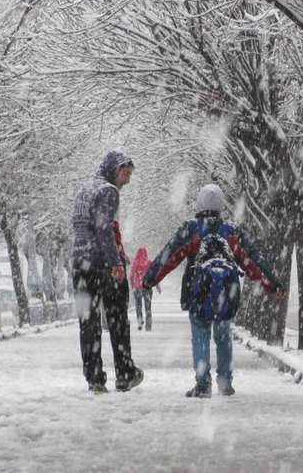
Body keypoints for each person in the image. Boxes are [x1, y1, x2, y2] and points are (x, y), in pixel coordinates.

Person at [142, 183, 285, 398]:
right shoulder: (231, 231)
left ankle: (203, 384)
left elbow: (168, 256)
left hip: (198, 292)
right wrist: (272, 285)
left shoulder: (191, 230)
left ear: (199, 203)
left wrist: (150, 279)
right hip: (225, 295)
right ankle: (225, 382)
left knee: (200, 337)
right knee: (223, 336)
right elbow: (253, 261)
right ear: (221, 205)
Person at [71, 149, 144, 394]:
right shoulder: (108, 191)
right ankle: (125, 373)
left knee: (88, 322)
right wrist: (115, 264)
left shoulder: (84, 189)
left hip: (80, 264)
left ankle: (94, 377)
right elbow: (103, 230)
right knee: (117, 319)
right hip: (102, 264)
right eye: (125, 174)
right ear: (114, 170)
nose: (127, 180)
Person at [129, 246, 158, 331]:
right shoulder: (149, 263)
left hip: (138, 287)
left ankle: (140, 320)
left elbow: (131, 276)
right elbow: (154, 275)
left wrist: (133, 285)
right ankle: (148, 326)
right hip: (147, 287)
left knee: (138, 306)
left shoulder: (136, 263)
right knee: (148, 307)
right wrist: (156, 285)